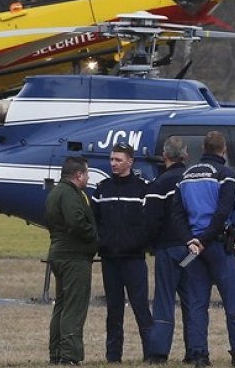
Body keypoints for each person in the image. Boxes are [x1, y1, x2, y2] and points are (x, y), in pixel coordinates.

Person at [173, 131, 235, 368]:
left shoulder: (185, 176)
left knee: (197, 304)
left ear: (203, 149)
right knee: (233, 302)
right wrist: (207, 240)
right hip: (217, 245)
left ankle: (199, 355)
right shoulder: (225, 175)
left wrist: (191, 240)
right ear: (224, 150)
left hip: (194, 248)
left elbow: (176, 214)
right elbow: (223, 211)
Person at [92, 143, 155, 363]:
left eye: (118, 160)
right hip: (110, 259)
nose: (113, 164)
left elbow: (149, 223)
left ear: (130, 162)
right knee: (114, 311)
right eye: (111, 160)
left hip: (134, 259)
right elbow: (95, 221)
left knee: (141, 308)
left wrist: (139, 244)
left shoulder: (143, 188)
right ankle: (113, 357)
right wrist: (102, 243)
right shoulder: (102, 189)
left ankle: (151, 354)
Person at [145, 136, 194, 364]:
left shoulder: (160, 184)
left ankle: (158, 353)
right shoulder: (193, 180)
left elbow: (151, 219)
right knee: (193, 301)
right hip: (192, 249)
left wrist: (152, 244)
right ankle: (195, 350)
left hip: (167, 248)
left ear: (164, 157)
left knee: (164, 300)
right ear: (186, 156)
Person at [46, 155, 99, 366]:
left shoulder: (55, 192)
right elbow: (76, 222)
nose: (87, 177)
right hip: (73, 257)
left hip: (59, 254)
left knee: (62, 305)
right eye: (86, 173)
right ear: (79, 174)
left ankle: (56, 353)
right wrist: (94, 237)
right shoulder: (70, 194)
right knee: (74, 308)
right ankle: (70, 356)